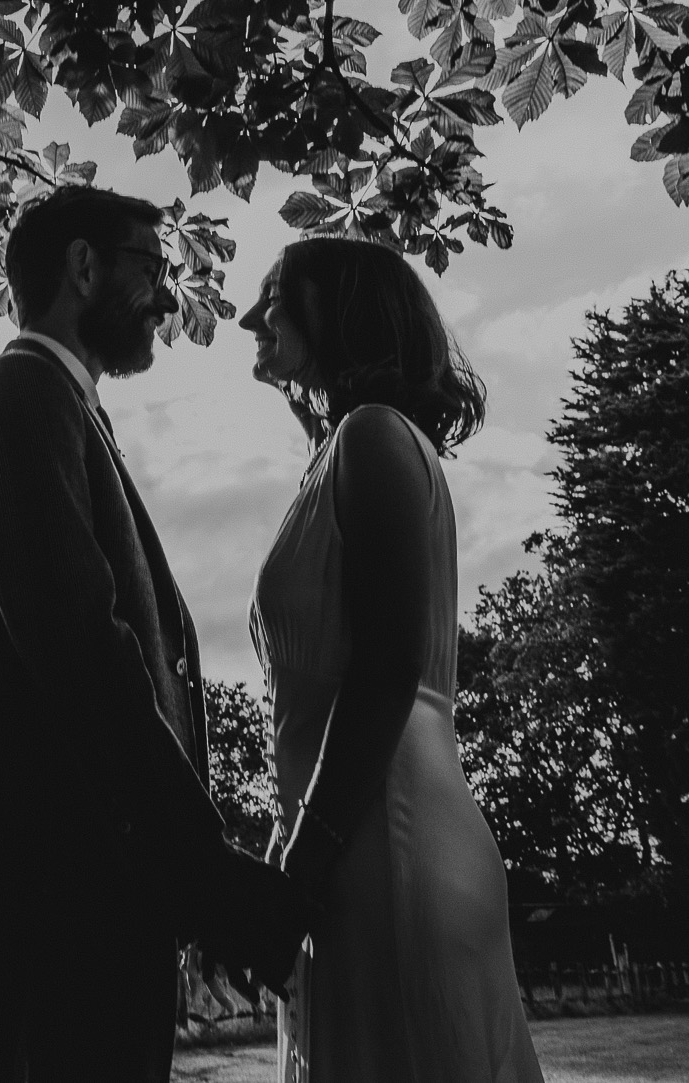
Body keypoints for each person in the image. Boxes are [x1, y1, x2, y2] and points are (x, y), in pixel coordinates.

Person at [0, 184, 304, 1083]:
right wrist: (205, 869)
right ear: (83, 265)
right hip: (56, 868)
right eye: (152, 268)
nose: (169, 296)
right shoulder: (15, 393)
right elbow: (80, 649)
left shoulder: (66, 407)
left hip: (98, 865)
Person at [241, 237, 545, 1083]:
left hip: (388, 836)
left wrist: (303, 864)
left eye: (275, 296)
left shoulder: (373, 436)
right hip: (346, 836)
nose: (248, 317)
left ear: (335, 311)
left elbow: (385, 666)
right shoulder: (340, 449)